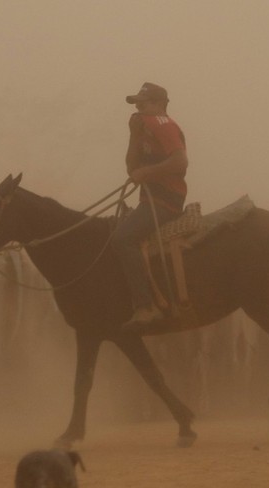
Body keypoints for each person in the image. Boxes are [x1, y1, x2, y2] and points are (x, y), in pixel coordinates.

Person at [112, 82, 189, 331]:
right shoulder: (145, 128)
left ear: (159, 105)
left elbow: (180, 161)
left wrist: (148, 172)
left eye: (144, 104)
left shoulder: (163, 125)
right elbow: (131, 168)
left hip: (166, 200)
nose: (138, 108)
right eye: (137, 104)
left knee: (123, 239)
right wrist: (134, 135)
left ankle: (145, 307)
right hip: (149, 200)